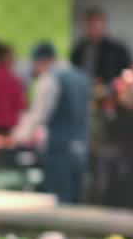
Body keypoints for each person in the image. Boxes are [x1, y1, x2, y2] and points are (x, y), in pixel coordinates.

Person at [12, 41, 93, 204]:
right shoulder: (83, 78)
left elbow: (38, 114)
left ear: (42, 61)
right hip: (81, 149)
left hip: (59, 150)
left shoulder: (51, 79)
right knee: (76, 202)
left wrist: (17, 137)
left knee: (60, 203)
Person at [70, 6, 133, 88]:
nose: (93, 28)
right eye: (90, 24)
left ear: (104, 24)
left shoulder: (117, 49)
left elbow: (127, 73)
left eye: (96, 24)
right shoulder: (79, 48)